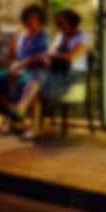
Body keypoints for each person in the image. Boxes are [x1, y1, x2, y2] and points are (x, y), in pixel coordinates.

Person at [19, 10, 91, 140]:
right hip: (58, 70)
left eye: (62, 23)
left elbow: (71, 57)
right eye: (58, 23)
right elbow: (50, 52)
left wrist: (52, 55)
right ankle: (29, 121)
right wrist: (47, 58)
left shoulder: (83, 36)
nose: (59, 26)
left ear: (72, 23)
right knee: (36, 75)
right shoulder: (60, 36)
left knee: (37, 85)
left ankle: (22, 113)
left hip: (73, 74)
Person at [0, 5, 50, 133]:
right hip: (17, 66)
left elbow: (40, 57)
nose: (31, 20)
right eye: (28, 17)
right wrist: (16, 36)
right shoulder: (23, 33)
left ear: (40, 20)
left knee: (24, 82)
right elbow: (10, 54)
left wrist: (21, 65)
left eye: (34, 18)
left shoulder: (42, 35)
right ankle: (9, 117)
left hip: (33, 68)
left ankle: (27, 122)